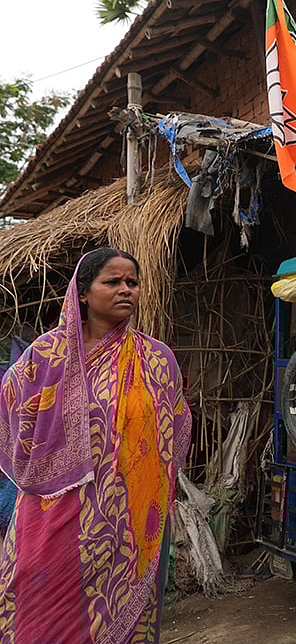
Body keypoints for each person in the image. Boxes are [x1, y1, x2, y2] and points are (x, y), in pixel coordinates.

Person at [0, 247, 192, 642]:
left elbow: (175, 428)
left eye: (132, 282)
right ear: (83, 293)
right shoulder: (46, 356)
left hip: (129, 523)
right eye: (112, 281)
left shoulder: (157, 360)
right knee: (39, 614)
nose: (126, 290)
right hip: (53, 513)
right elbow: (11, 410)